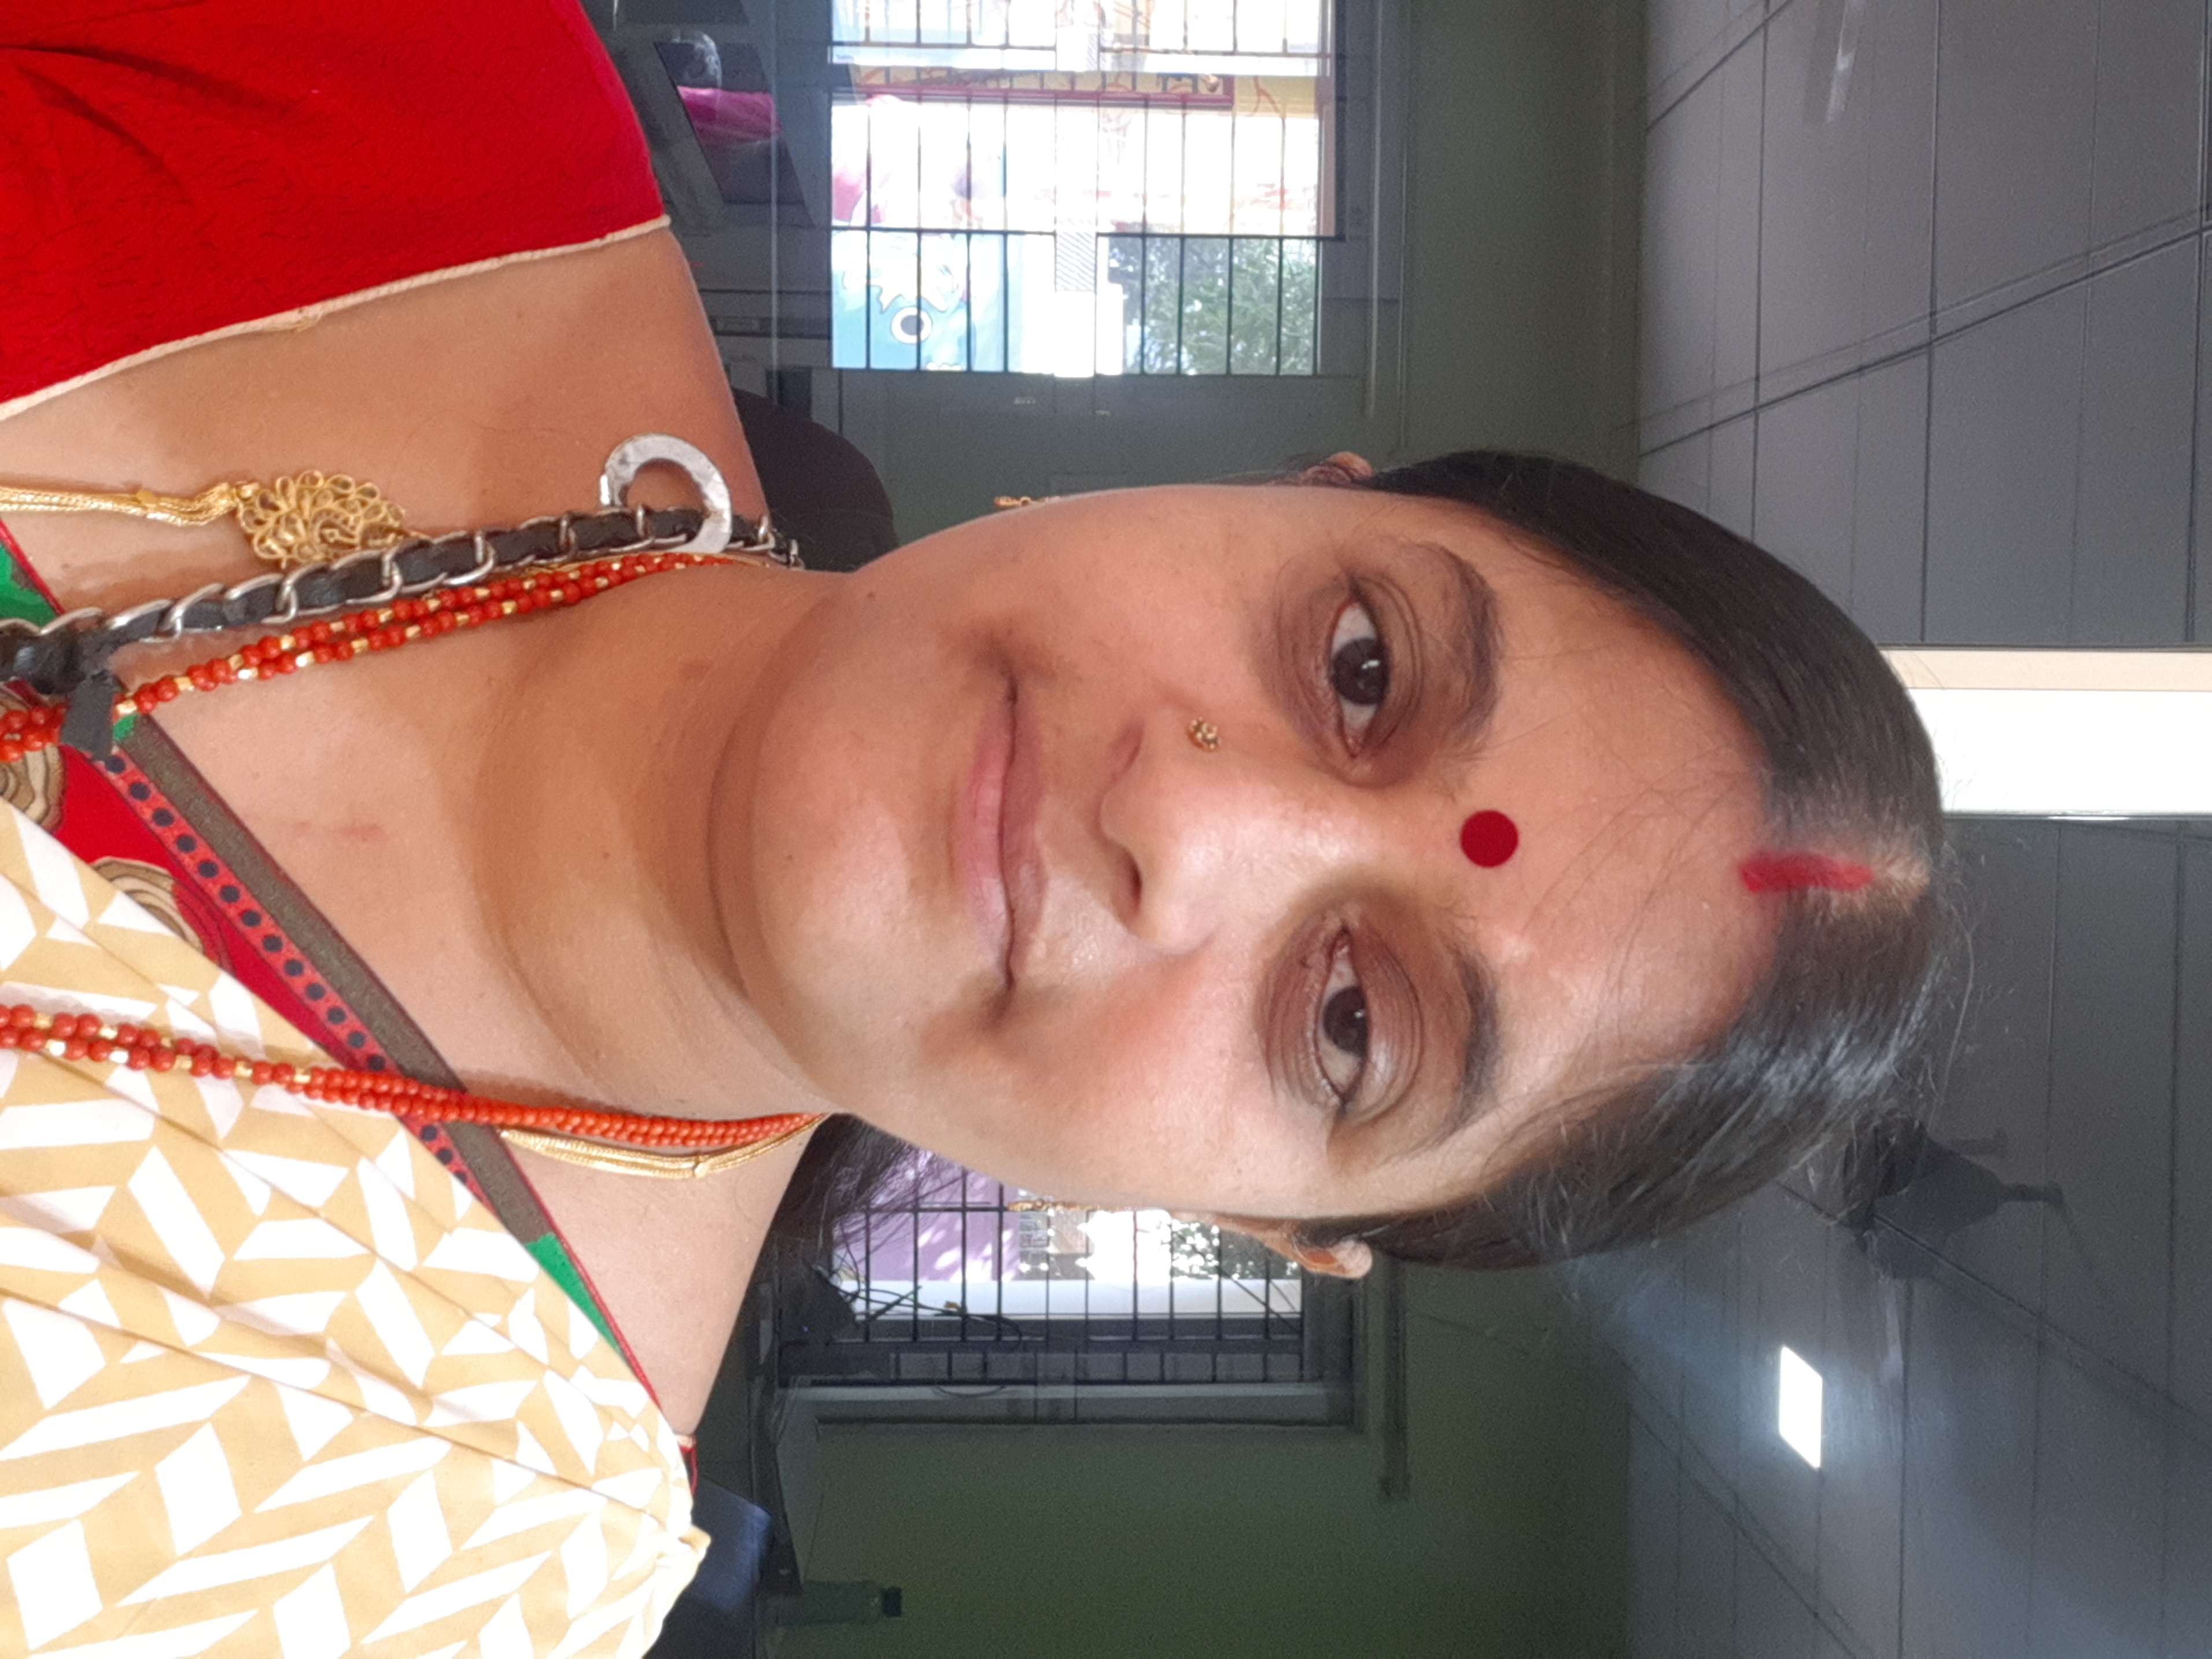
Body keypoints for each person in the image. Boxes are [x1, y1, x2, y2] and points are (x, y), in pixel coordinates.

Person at [0, 2, 1949, 1654]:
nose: (1191, 818)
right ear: (1291, 489)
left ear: (1261, 1222)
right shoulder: (412, 80)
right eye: (1361, 664)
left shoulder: (430, 1542)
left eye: (1354, 1019)